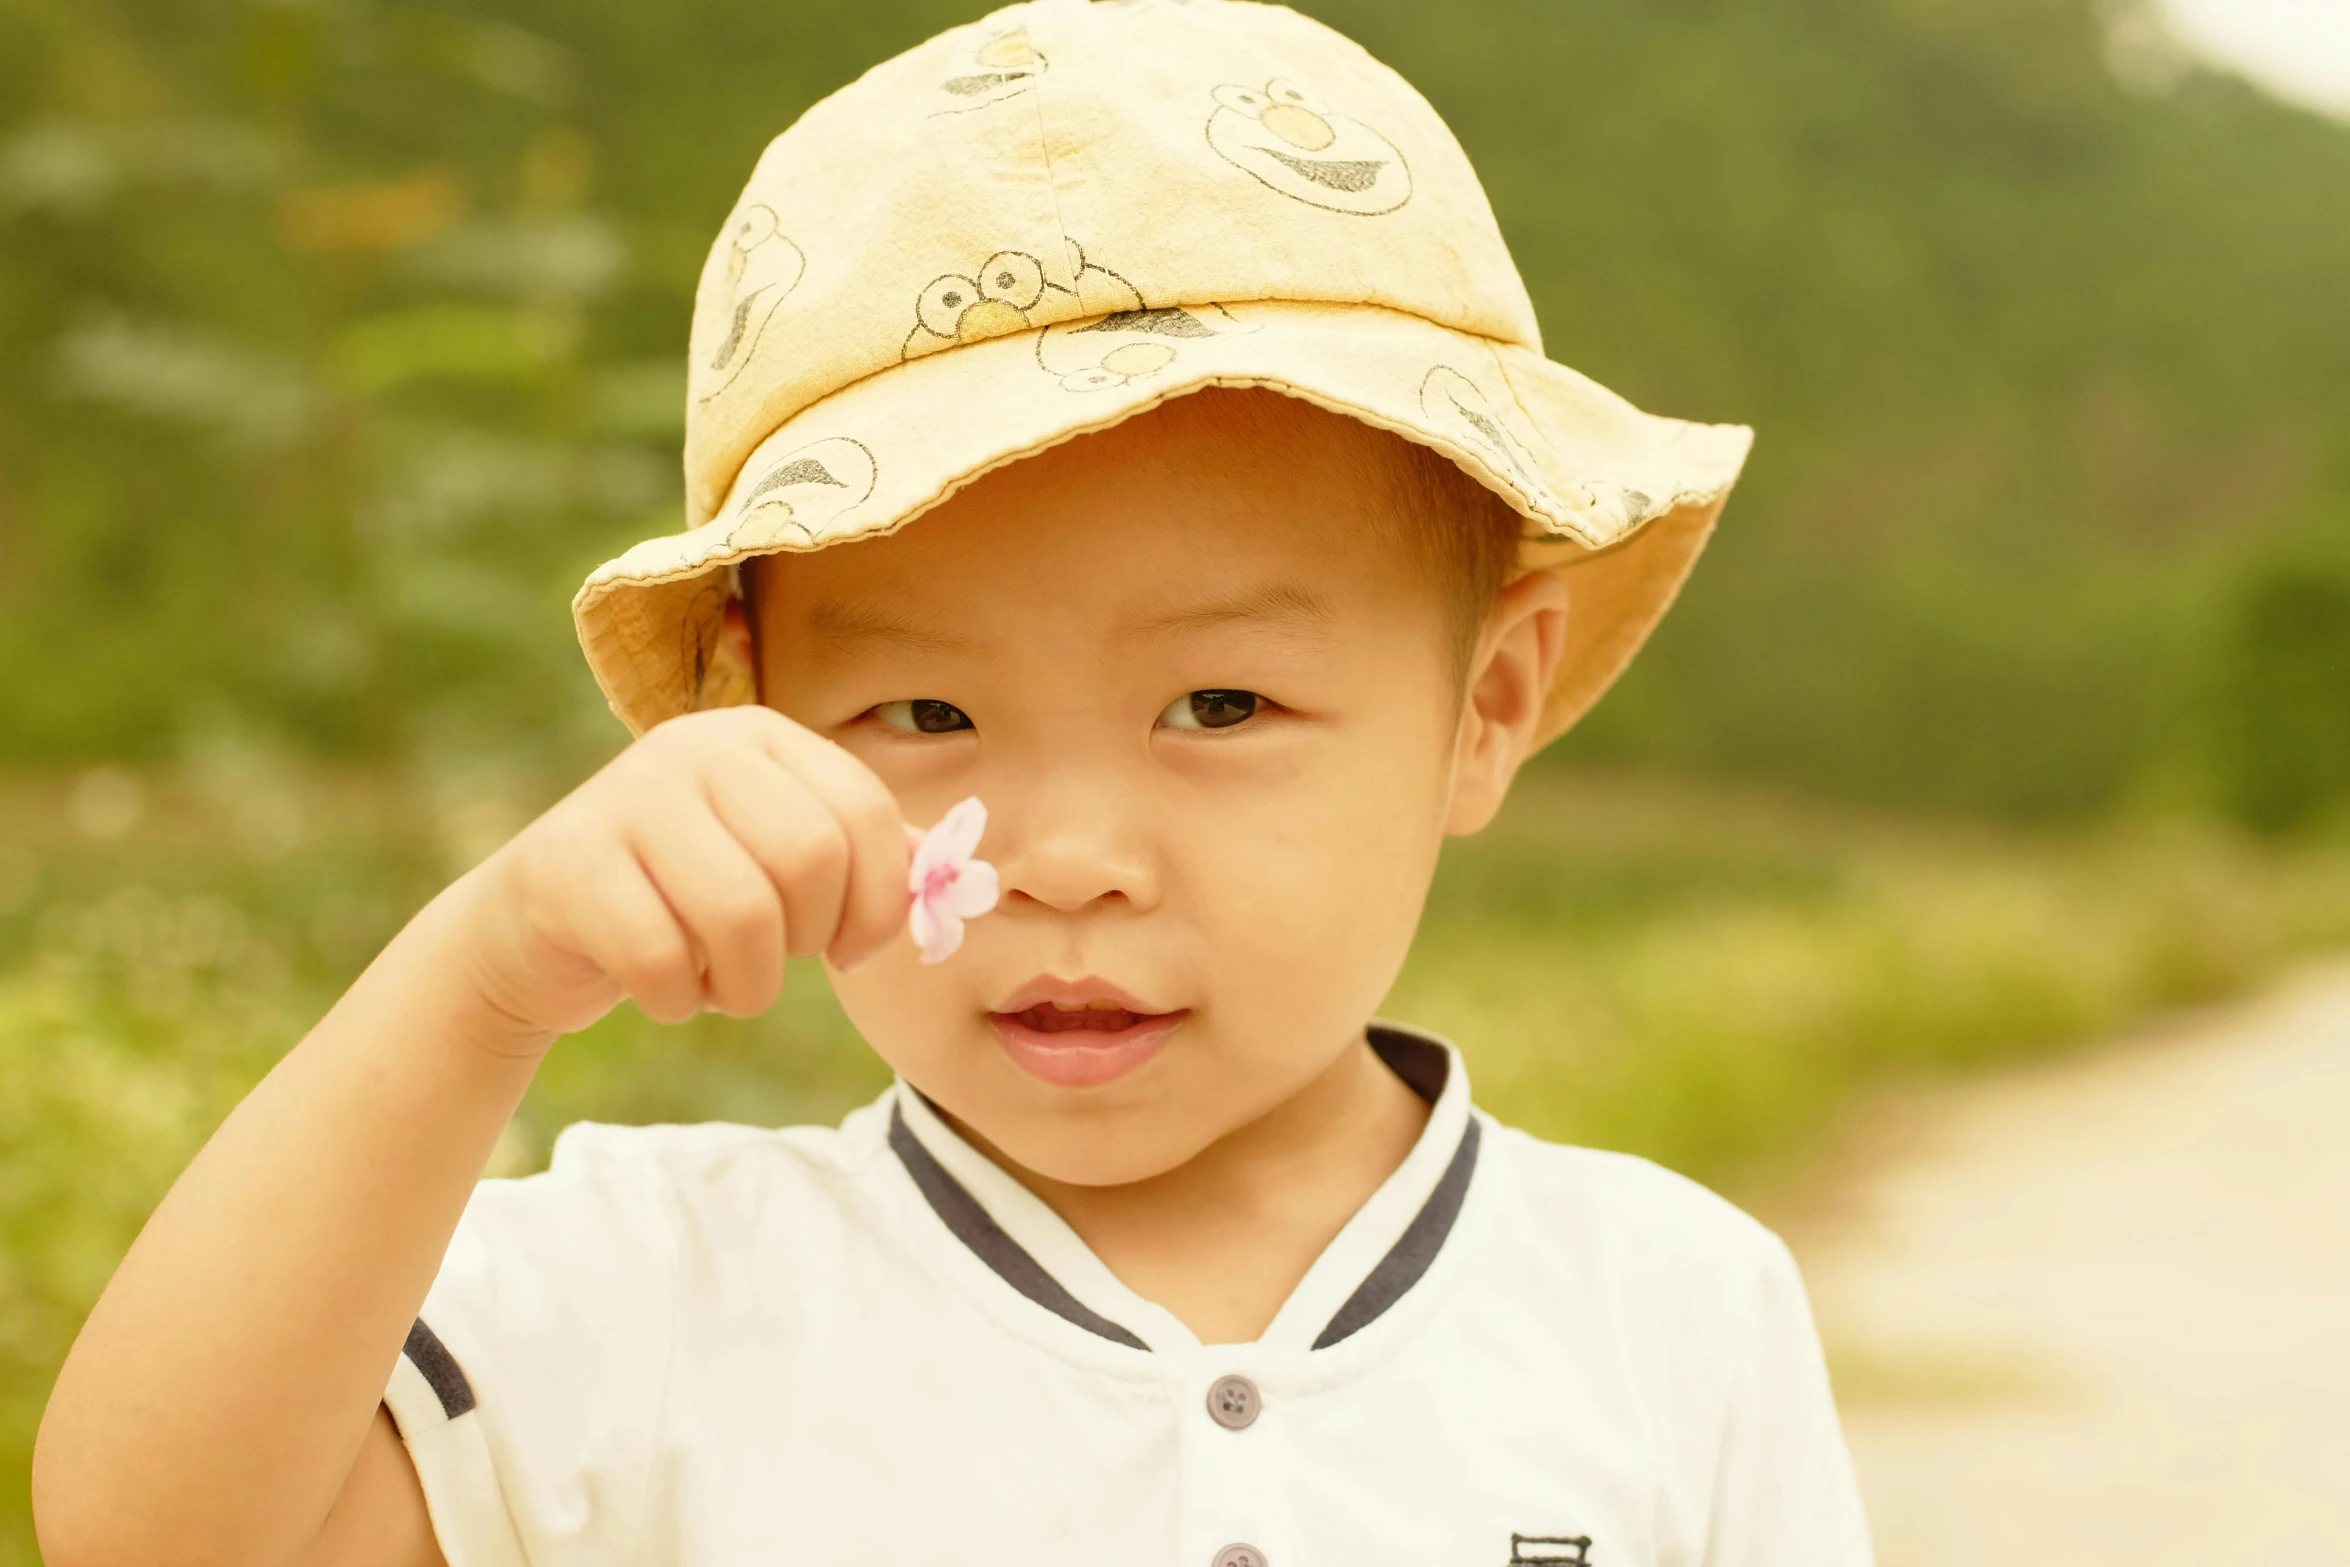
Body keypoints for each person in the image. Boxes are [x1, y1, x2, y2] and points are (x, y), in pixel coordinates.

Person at [31, 2, 1871, 1563]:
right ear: (739, 715)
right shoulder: (659, 1291)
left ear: (1484, 705)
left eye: (1219, 703)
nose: (1063, 859)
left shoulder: (1668, 1312)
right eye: (920, 715)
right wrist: (485, 973)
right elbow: (151, 1528)